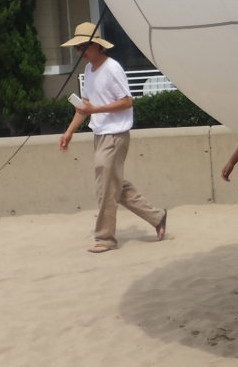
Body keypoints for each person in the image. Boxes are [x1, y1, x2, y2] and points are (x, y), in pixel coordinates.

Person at [59, 22, 167, 254]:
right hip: (100, 134)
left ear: (96, 45)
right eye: (77, 48)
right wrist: (69, 132)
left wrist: (94, 111)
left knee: (106, 187)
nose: (79, 52)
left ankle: (105, 238)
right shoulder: (89, 70)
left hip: (116, 134)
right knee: (113, 184)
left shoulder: (113, 68)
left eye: (82, 47)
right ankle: (157, 216)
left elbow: (127, 101)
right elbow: (84, 107)